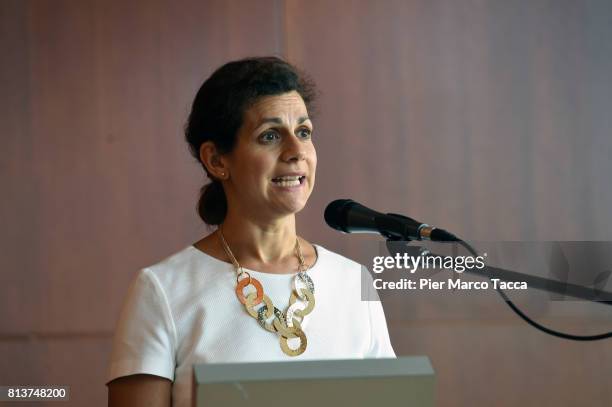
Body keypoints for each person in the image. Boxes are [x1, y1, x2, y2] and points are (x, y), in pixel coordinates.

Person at [106, 56, 395, 407]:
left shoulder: (355, 282)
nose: (296, 151)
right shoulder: (162, 291)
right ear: (216, 160)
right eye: (270, 135)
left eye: (303, 132)